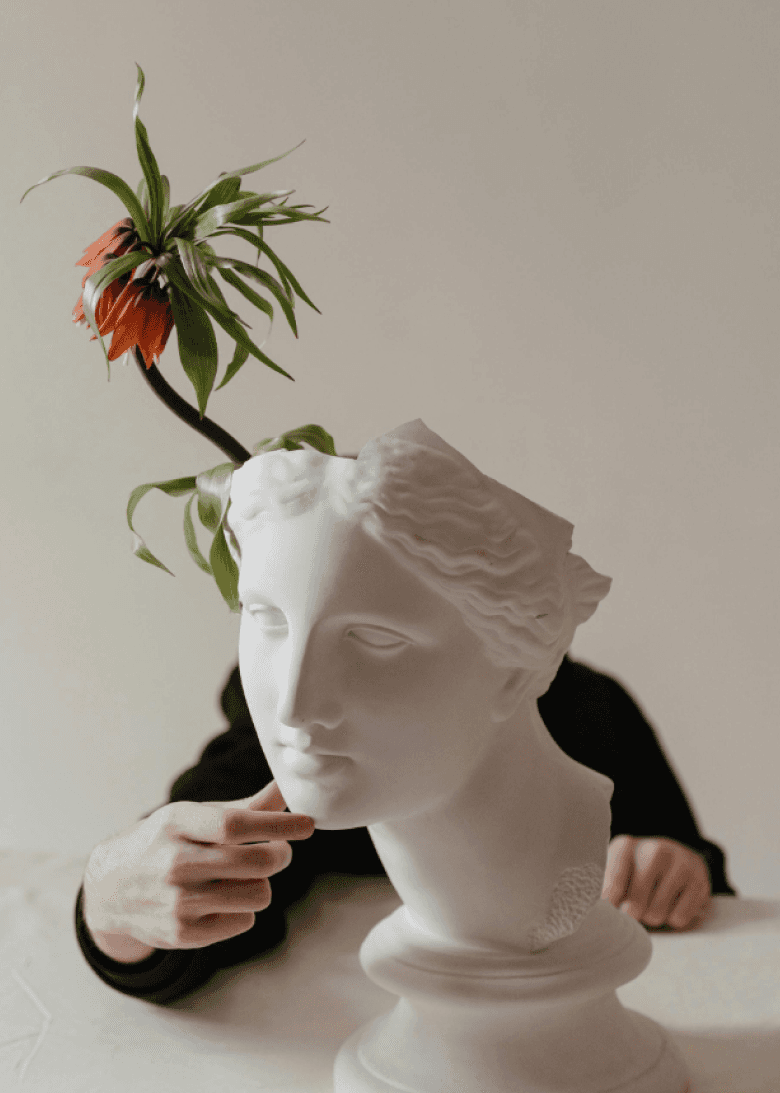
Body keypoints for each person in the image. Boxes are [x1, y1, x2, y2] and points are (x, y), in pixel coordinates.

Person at [77, 430, 735, 1004]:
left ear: (508, 661)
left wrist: (676, 866)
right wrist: (113, 901)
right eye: (268, 619)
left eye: (375, 638)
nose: (296, 702)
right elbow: (189, 891)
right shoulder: (284, 742)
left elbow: (706, 892)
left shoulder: (592, 715)